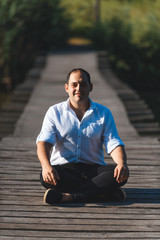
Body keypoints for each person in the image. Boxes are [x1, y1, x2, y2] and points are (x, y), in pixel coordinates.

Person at [36, 68, 129, 204]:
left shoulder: (104, 113)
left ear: (90, 87)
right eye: (74, 84)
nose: (78, 88)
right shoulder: (54, 112)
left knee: (119, 175)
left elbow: (113, 143)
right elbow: (44, 143)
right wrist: (46, 166)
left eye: (83, 84)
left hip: (94, 170)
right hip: (65, 170)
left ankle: (68, 197)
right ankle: (101, 194)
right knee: (45, 177)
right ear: (67, 88)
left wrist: (122, 164)